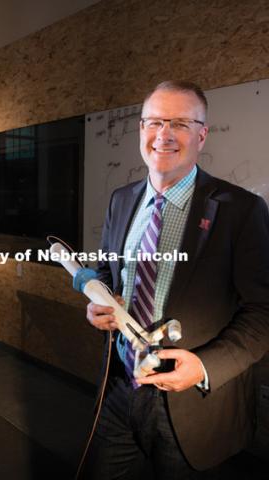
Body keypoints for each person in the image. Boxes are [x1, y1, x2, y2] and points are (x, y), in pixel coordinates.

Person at [80, 80, 269, 479]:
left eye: (180, 123)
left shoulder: (241, 210)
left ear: (202, 134)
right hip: (119, 388)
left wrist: (203, 367)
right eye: (154, 121)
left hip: (195, 408)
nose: (164, 134)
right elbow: (106, 273)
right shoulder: (121, 199)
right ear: (141, 130)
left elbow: (263, 312)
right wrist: (99, 304)